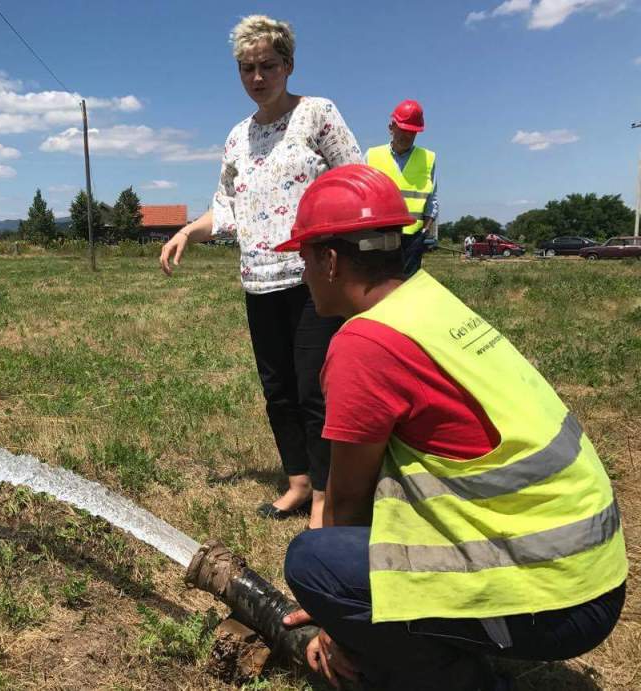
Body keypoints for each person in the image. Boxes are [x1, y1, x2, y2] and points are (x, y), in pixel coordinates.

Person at [272, 164, 626, 690]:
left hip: (559, 599)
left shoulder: (363, 344)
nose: (300, 275)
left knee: (315, 562)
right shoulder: (424, 300)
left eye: (302, 259)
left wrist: (337, 613)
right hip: (589, 571)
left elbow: (345, 506)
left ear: (328, 261)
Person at [159, 15, 361, 528]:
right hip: (258, 279)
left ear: (288, 65)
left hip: (313, 278)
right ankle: (295, 481)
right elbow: (224, 207)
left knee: (315, 388)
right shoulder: (237, 138)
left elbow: (355, 179)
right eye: (246, 68)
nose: (256, 77)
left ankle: (323, 495)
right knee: (277, 389)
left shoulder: (317, 115)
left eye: (267, 65)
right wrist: (185, 231)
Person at [365, 99, 437, 277]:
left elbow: (432, 202)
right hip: (378, 236)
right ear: (391, 127)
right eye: (403, 130)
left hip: (412, 239)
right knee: (378, 287)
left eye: (413, 132)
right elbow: (362, 197)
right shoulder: (371, 155)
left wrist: (424, 233)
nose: (407, 136)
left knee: (406, 290)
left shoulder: (428, 158)